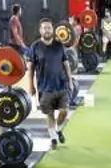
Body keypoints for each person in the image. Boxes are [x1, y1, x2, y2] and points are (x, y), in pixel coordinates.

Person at [30, 18, 75, 146]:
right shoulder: (35, 46)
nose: (47, 30)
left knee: (64, 111)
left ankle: (58, 130)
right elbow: (31, 67)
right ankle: (53, 138)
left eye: (49, 27)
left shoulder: (59, 45)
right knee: (49, 114)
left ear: (52, 29)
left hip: (61, 85)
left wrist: (70, 81)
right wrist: (30, 85)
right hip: (44, 88)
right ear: (40, 30)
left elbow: (66, 63)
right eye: (44, 28)